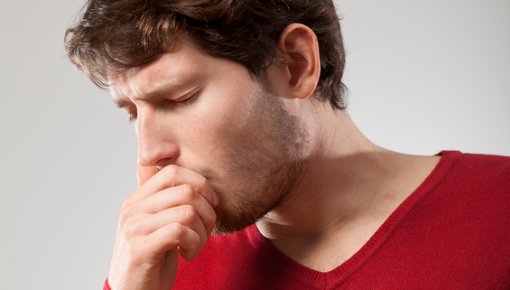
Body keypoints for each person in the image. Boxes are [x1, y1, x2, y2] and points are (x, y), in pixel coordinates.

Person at [65, 1, 510, 289]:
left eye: (179, 98)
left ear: (296, 65)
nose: (148, 154)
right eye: (132, 112)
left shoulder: (499, 210)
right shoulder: (159, 273)